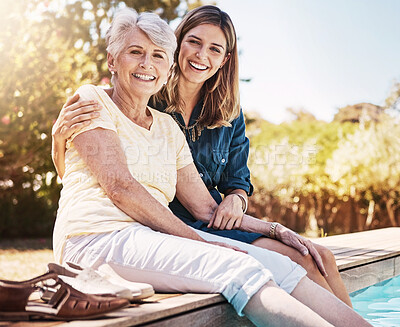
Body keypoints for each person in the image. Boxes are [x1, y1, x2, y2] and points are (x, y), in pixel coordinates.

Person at [52, 5, 352, 309]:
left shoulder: (228, 114)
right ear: (177, 44)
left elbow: (234, 184)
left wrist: (240, 201)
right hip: (167, 225)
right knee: (287, 264)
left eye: (214, 49)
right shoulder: (144, 90)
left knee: (318, 257)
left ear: (225, 60)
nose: (201, 55)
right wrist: (57, 140)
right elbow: (87, 175)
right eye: (194, 42)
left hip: (213, 219)